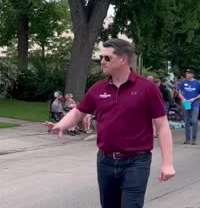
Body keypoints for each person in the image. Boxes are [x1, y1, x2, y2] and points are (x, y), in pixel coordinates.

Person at [45, 38, 175, 208]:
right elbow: (79, 111)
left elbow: (163, 126)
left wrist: (167, 163)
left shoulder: (146, 88)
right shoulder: (98, 88)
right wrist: (61, 124)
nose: (102, 61)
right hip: (105, 161)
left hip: (136, 162)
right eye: (101, 57)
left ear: (123, 59)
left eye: (107, 58)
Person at [179, 69, 200, 145]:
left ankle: (194, 139)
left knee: (194, 121)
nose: (186, 74)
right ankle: (187, 139)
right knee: (187, 121)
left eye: (188, 73)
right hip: (187, 103)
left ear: (192, 75)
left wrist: (194, 98)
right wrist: (183, 99)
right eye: (186, 73)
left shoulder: (197, 83)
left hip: (195, 103)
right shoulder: (183, 82)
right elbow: (179, 92)